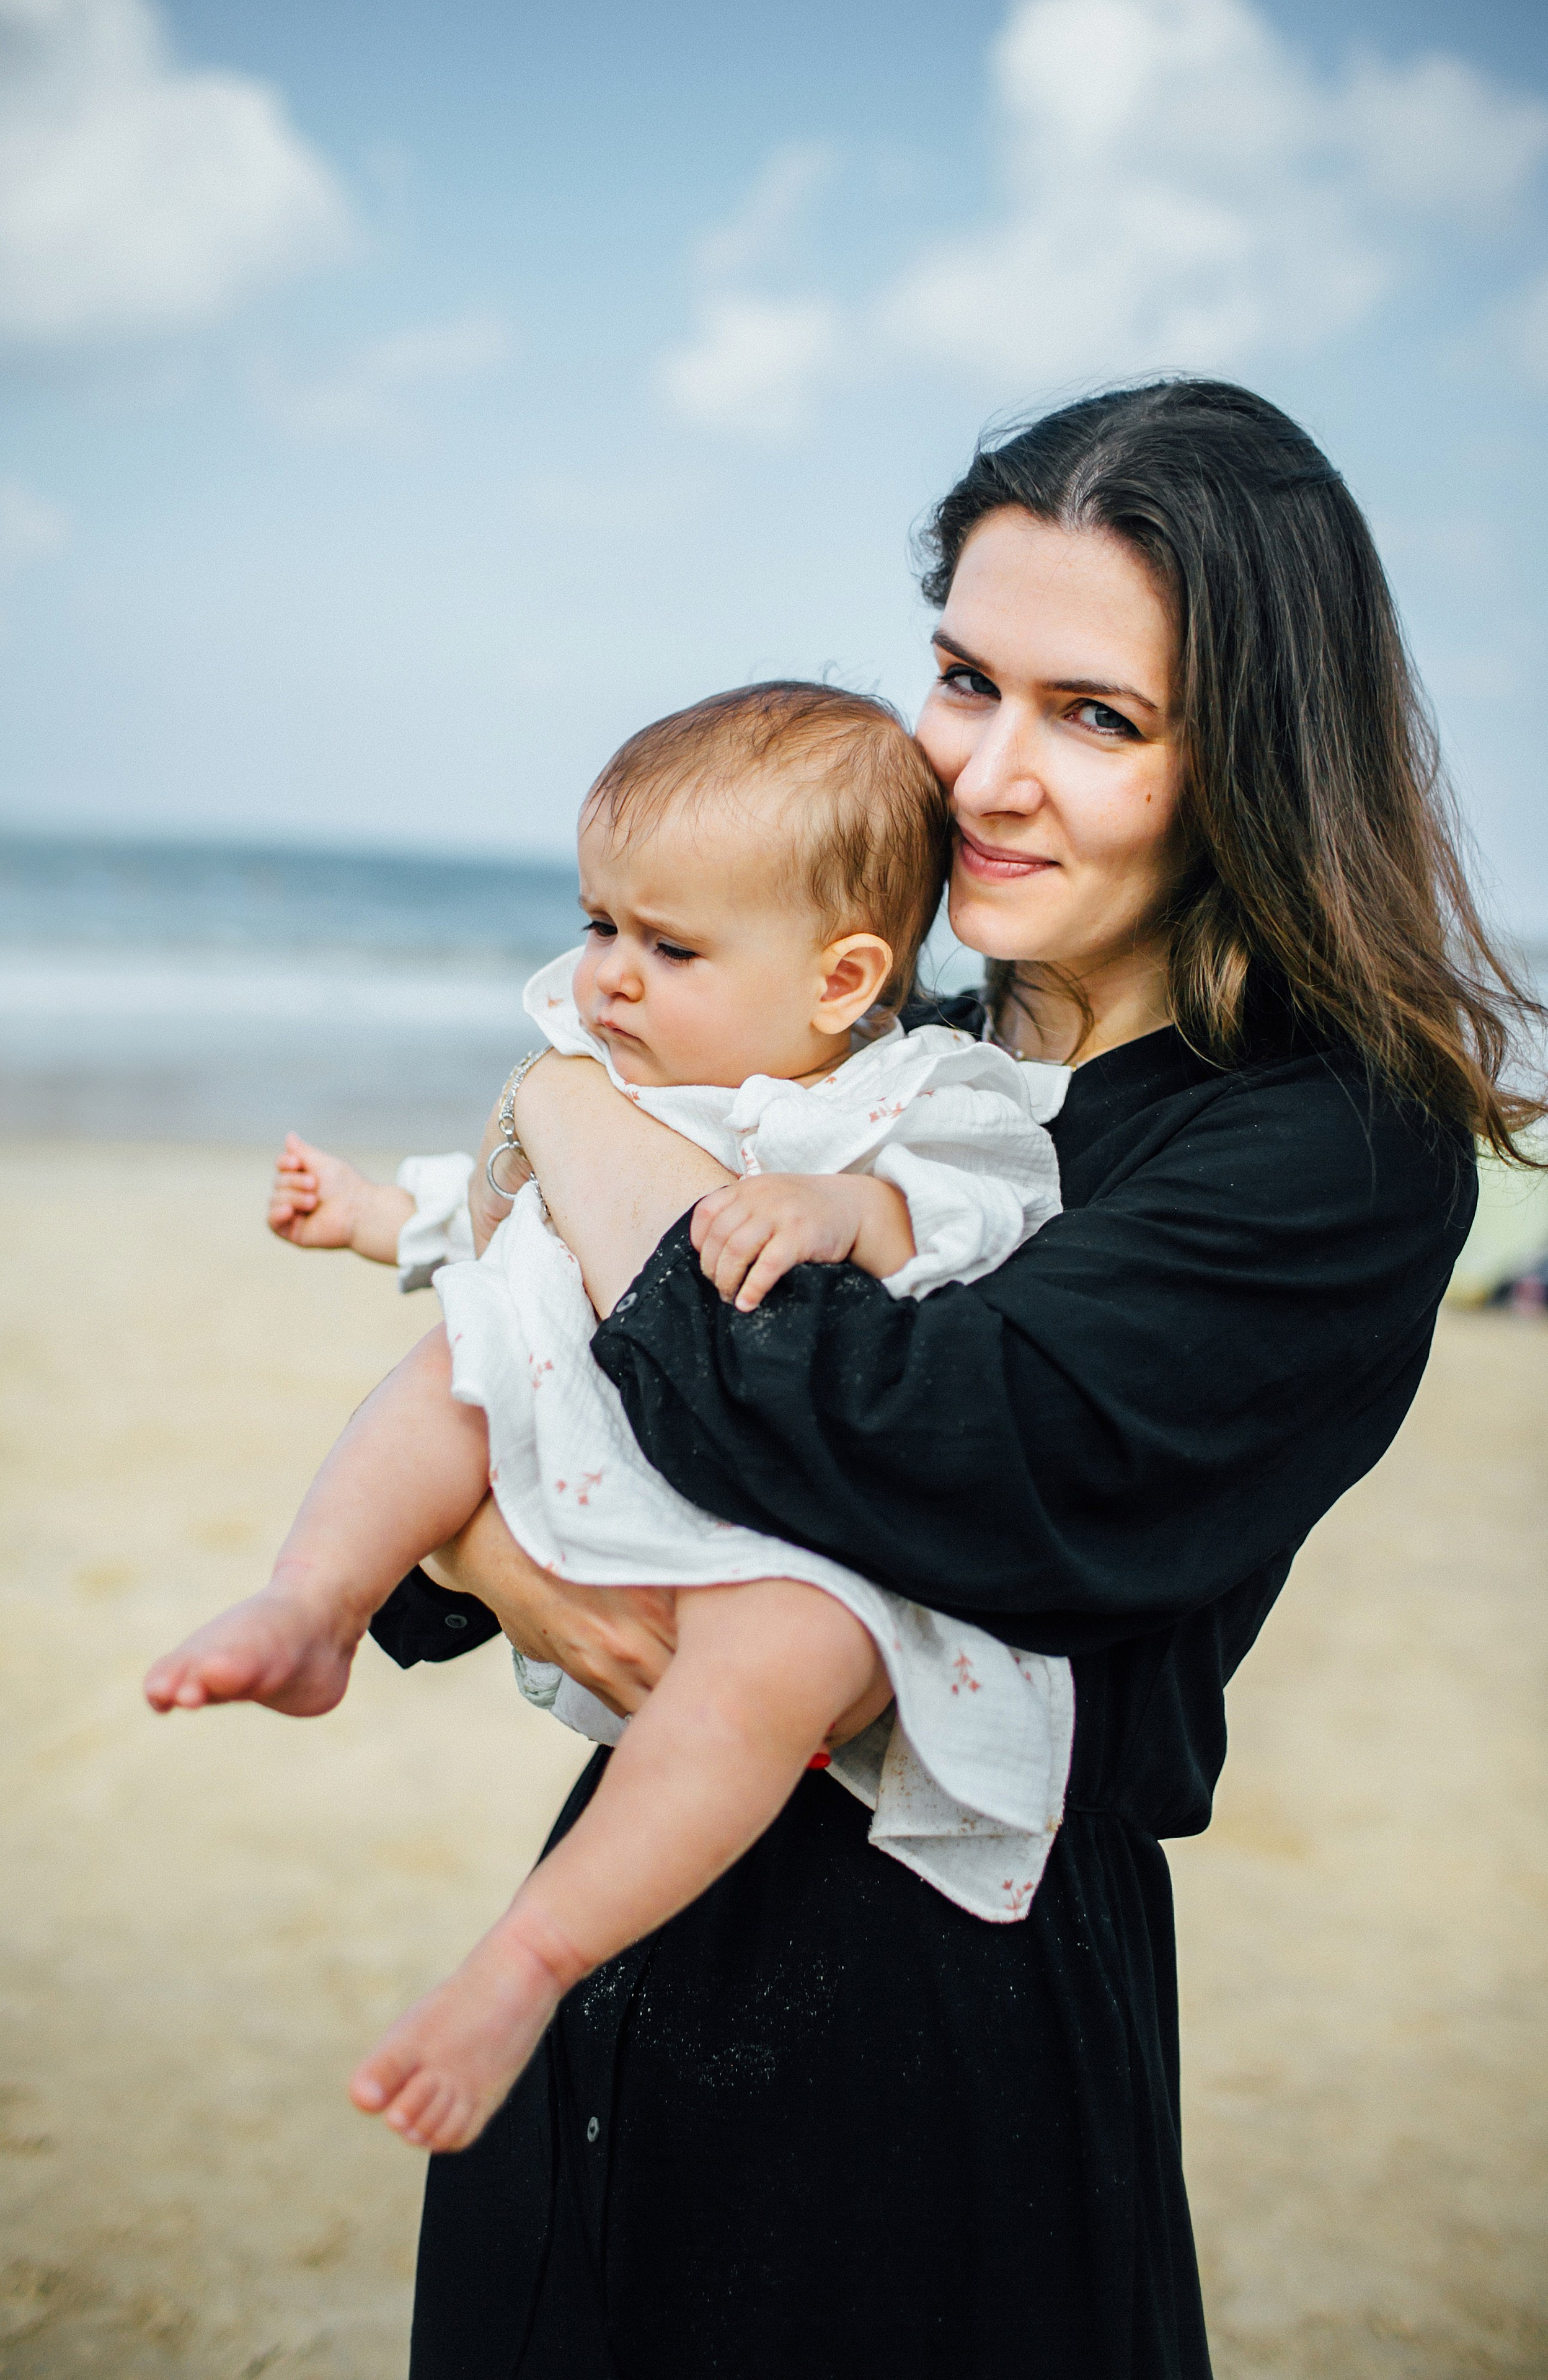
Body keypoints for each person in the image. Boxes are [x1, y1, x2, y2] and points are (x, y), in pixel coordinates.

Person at [356, 380, 1542, 2380]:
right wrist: (486, 1553)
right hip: (614, 1927)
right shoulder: (867, 1036)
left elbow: (936, 1454)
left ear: (1251, 748)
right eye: (964, 679)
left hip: (945, 2023)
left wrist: (567, 1102)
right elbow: (521, 1378)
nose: (989, 774)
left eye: (1097, 717)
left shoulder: (1330, 1145)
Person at [144, 684, 1076, 2156]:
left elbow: (983, 1211)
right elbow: (506, 1217)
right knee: (455, 1369)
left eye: (668, 946)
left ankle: (525, 1960)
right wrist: (380, 1217)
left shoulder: (909, 1096)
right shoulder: (619, 1077)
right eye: (598, 927)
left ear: (842, 980)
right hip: (591, 1437)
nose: (608, 980)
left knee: (782, 1659)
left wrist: (848, 1207)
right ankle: (312, 1604)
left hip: (776, 1520)